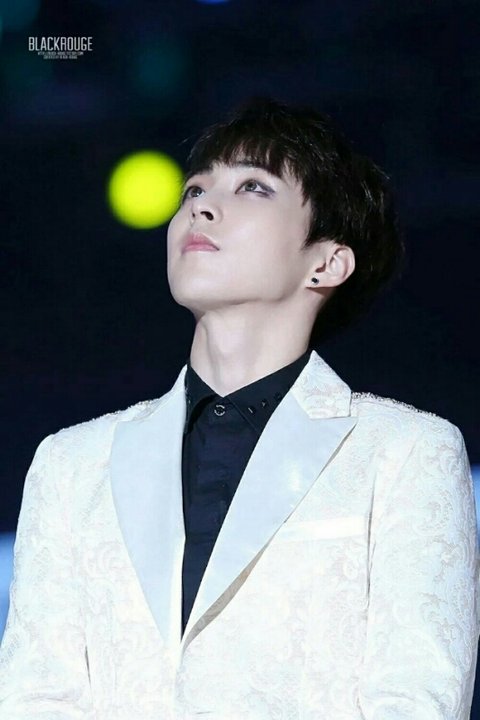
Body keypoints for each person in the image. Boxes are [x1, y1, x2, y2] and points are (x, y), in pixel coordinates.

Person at [0, 96, 478, 719]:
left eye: (253, 186)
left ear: (327, 262)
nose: (199, 206)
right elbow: (35, 697)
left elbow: (414, 701)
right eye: (194, 189)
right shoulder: (71, 464)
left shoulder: (404, 453)